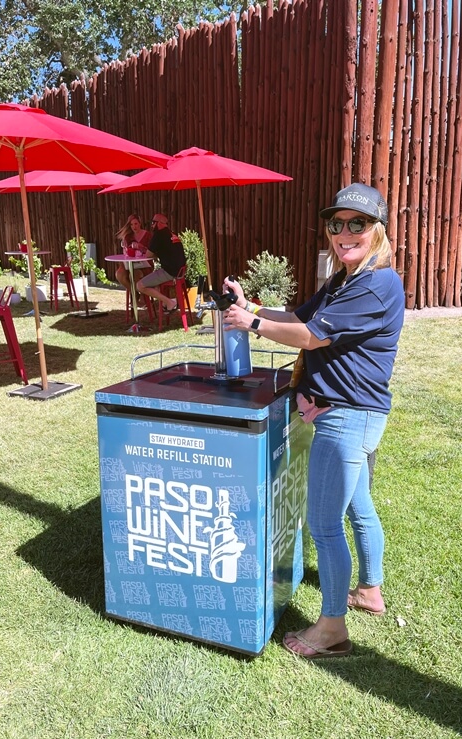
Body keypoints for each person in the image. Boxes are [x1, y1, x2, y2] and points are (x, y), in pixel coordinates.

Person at [222, 182, 405, 660]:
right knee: (358, 507)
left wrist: (252, 326)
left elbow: (310, 336)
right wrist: (250, 307)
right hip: (353, 414)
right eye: (336, 224)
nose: (344, 233)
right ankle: (369, 590)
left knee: (323, 525)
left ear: (377, 230)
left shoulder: (377, 283)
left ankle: (331, 629)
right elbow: (299, 314)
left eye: (357, 224)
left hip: (347, 417)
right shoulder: (345, 280)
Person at [136, 214, 186, 313]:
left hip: (170, 271)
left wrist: (141, 247)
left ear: (159, 223)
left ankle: (170, 302)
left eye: (153, 222)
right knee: (155, 284)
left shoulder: (159, 234)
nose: (152, 225)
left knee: (140, 285)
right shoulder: (172, 234)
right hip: (180, 271)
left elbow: (148, 255)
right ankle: (165, 304)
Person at [114, 214, 152, 294]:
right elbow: (126, 253)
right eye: (131, 224)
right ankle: (134, 294)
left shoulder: (148, 235)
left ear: (140, 223)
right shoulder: (128, 237)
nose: (134, 227)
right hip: (130, 264)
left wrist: (141, 247)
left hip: (145, 265)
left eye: (136, 224)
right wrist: (125, 248)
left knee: (135, 274)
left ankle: (143, 297)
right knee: (119, 274)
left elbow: (152, 252)